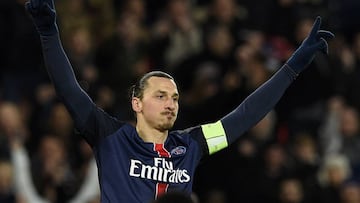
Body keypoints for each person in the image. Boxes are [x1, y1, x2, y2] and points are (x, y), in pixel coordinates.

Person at [24, 0, 335, 202]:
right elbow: (68, 89)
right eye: (160, 96)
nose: (171, 103)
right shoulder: (109, 135)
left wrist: (291, 67)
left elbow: (246, 115)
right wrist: (48, 32)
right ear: (137, 103)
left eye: (174, 97)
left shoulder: (192, 144)